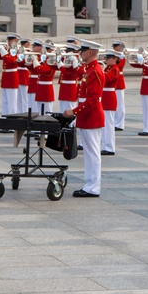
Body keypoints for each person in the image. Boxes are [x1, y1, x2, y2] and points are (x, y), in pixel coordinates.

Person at [66, 40, 104, 197]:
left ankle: (93, 187)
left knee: (93, 153)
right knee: (89, 153)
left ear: (91, 52)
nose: (80, 52)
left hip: (92, 115)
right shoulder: (89, 70)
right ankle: (89, 184)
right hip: (88, 115)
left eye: (83, 50)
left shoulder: (94, 71)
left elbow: (92, 99)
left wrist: (74, 111)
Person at [0, 34, 19, 117]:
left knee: (12, 102)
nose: (9, 42)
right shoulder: (7, 50)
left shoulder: (18, 50)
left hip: (12, 77)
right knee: (5, 101)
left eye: (12, 40)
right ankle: (5, 120)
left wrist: (2, 49)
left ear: (16, 41)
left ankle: (12, 121)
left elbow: (10, 60)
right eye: (9, 40)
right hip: (5, 77)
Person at [100, 49, 120, 156]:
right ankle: (106, 145)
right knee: (105, 124)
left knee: (108, 124)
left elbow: (107, 78)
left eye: (108, 58)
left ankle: (109, 147)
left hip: (109, 97)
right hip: (105, 97)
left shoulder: (114, 69)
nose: (106, 60)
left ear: (114, 59)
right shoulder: (108, 68)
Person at [57, 44, 82, 113]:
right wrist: (58, 58)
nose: (67, 53)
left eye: (69, 51)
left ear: (74, 51)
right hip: (64, 88)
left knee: (70, 109)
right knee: (62, 109)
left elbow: (71, 72)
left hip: (70, 88)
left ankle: (72, 124)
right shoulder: (67, 59)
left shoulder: (77, 60)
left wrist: (61, 65)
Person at [111, 41, 127, 131]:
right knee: (114, 103)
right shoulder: (116, 56)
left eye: (115, 46)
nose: (114, 48)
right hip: (114, 82)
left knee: (120, 104)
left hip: (119, 82)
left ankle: (120, 124)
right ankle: (115, 122)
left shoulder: (121, 56)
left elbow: (118, 65)